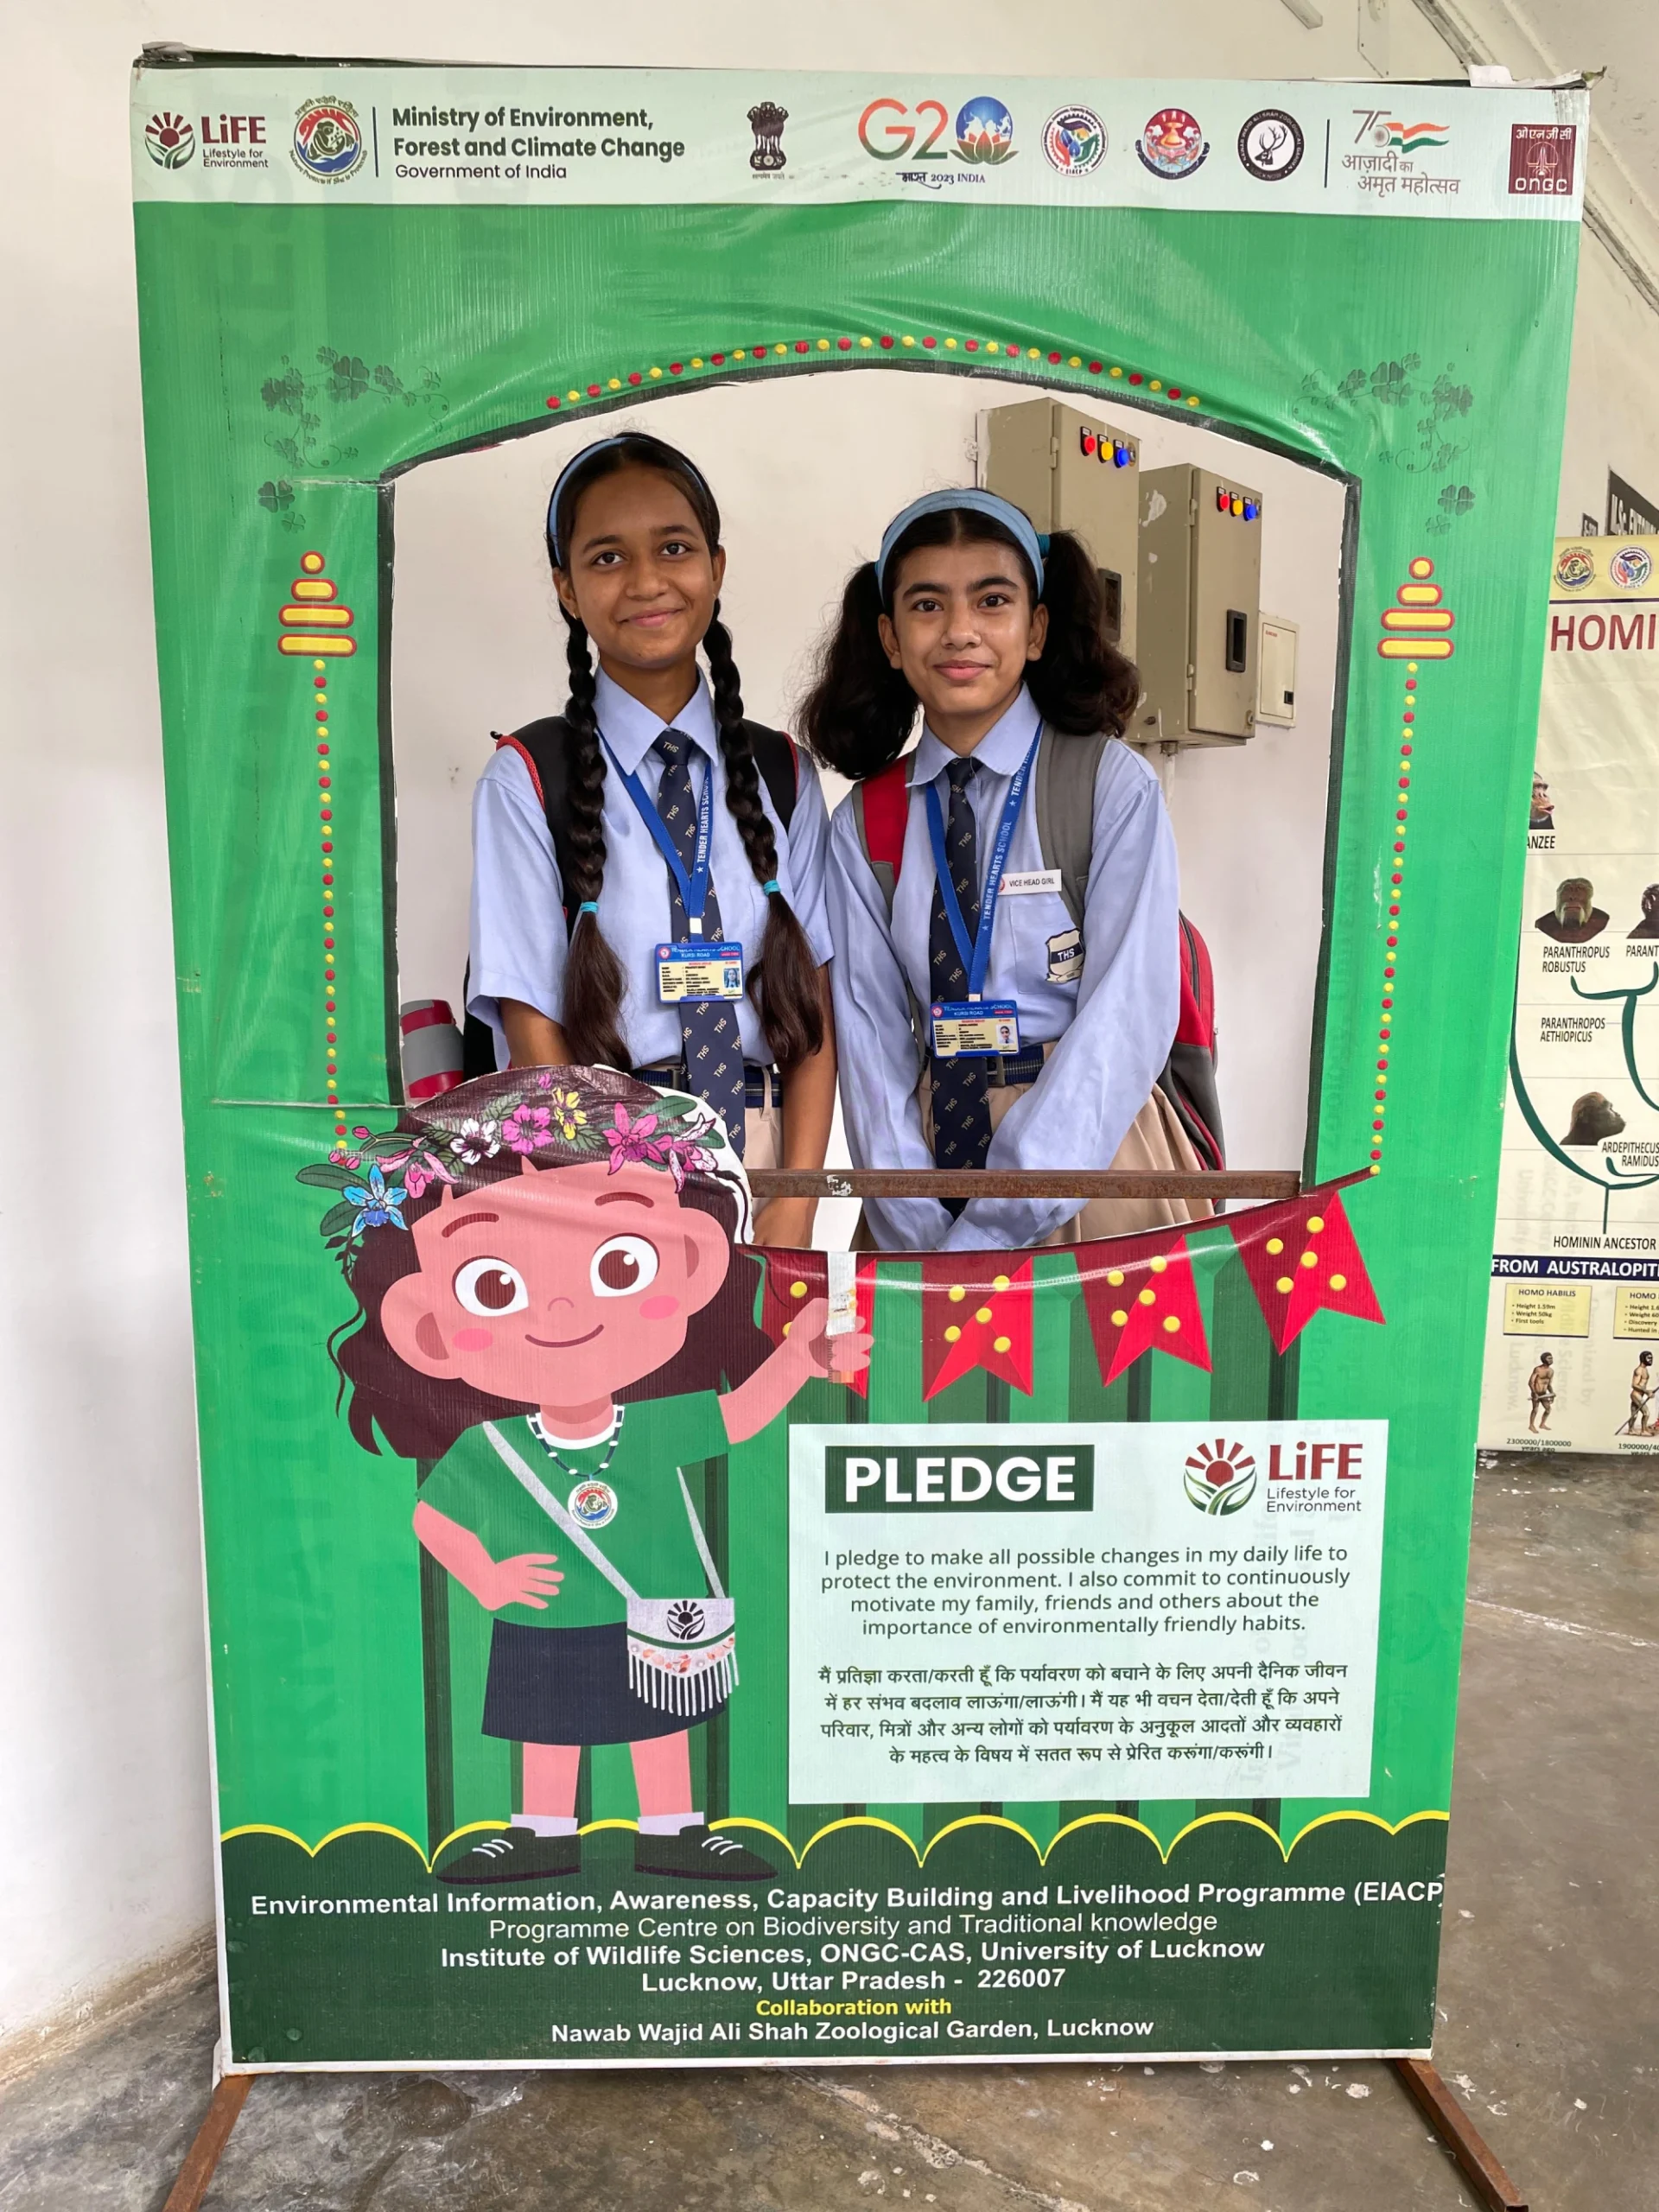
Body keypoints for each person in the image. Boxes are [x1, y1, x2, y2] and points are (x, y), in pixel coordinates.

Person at [319, 1068, 871, 1885]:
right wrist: (488, 1577)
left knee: (661, 1724)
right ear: (428, 1328)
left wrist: (797, 1356)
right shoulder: (494, 1445)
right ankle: (541, 1832)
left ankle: (673, 1829)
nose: (560, 1311)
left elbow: (737, 1417)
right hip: (544, 1616)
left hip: (656, 1611)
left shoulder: (649, 1424)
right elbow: (432, 1519)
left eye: (619, 1266)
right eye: (495, 1285)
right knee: (547, 1725)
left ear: (691, 1266)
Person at [802, 486, 1208, 1252]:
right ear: (890, 638)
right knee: (908, 1338)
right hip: (921, 1181)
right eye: (927, 605)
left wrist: (1002, 1218)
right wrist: (913, 1219)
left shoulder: (1108, 786)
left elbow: (1125, 1017)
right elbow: (869, 1039)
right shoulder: (866, 821)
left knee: (1098, 1339)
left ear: (1037, 628)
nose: (960, 631)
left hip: (1093, 1164)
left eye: (992, 601)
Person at [467, 431, 836, 1248]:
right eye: (607, 558)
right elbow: (532, 1026)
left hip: (768, 1162)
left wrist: (797, 1202)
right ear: (567, 589)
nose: (645, 581)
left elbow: (815, 1011)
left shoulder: (783, 773)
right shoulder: (527, 777)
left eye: (674, 548)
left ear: (716, 567)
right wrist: (607, 1209)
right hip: (602, 1173)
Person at [1535, 877, 1608, 943]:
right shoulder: (1543, 923)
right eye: (1567, 890)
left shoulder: (1601, 919)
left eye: (1579, 890)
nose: (1573, 897)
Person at [1619, 1348, 1655, 1437]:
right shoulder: (1639, 1370)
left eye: (1651, 1358)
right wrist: (1647, 1392)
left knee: (1634, 1415)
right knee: (1646, 1413)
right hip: (1636, 1395)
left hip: (1639, 1394)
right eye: (1649, 1358)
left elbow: (1642, 1384)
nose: (1651, 1360)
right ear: (1643, 1359)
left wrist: (1647, 1392)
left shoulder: (1645, 1369)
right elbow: (1634, 1385)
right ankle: (1643, 1431)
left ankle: (1631, 1430)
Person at [1527, 1350, 1554, 1433]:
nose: (1551, 1360)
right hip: (1536, 1392)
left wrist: (1552, 1394)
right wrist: (1534, 1393)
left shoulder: (1551, 1371)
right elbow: (1530, 1382)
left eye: (1551, 1358)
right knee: (1535, 1409)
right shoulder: (1537, 1369)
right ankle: (1531, 1426)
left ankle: (1542, 1424)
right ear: (1544, 1359)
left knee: (1548, 1409)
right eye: (1549, 1358)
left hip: (1544, 1394)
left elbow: (1549, 1385)